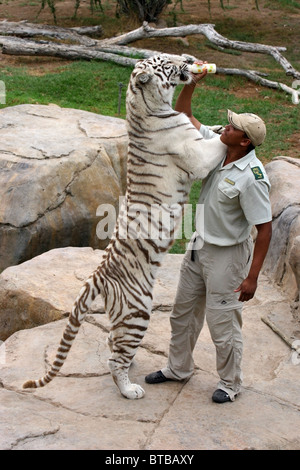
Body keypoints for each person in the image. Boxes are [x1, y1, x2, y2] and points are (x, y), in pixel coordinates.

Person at [145, 66, 273, 403]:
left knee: (223, 324)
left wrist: (252, 277)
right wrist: (190, 84)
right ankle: (178, 368)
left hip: (227, 258)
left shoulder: (253, 177)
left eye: (233, 127)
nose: (225, 127)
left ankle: (230, 384)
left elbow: (264, 228)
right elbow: (183, 116)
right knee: (182, 313)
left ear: (244, 141)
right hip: (198, 247)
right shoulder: (219, 144)